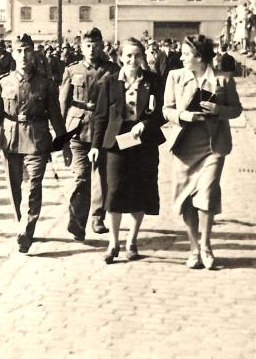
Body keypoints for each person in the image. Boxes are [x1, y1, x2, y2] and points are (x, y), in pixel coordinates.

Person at [163, 35, 242, 270]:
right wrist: (183, 115)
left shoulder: (223, 80)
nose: (181, 57)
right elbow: (166, 110)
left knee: (206, 196)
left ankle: (206, 246)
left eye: (186, 54)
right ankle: (194, 249)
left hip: (213, 146)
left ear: (199, 57)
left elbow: (236, 110)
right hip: (184, 146)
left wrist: (218, 109)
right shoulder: (175, 77)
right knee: (187, 199)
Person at [0, 34, 66, 254]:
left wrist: (63, 144)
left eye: (27, 50)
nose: (24, 55)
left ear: (34, 53)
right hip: (10, 141)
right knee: (14, 188)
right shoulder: (3, 82)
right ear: (13, 53)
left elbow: (56, 116)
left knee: (33, 186)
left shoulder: (45, 84)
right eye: (19, 51)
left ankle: (26, 231)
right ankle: (22, 224)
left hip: (37, 140)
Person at [89, 37, 166, 264]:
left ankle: (132, 240)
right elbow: (100, 117)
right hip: (117, 143)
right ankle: (113, 243)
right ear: (120, 57)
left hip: (144, 143)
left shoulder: (153, 81)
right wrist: (95, 146)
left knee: (140, 191)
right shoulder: (110, 82)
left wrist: (147, 124)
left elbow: (161, 111)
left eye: (137, 55)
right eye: (129, 55)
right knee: (113, 191)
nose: (133, 60)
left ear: (143, 57)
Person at [59, 28, 119, 241]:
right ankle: (77, 222)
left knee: (103, 177)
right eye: (87, 45)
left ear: (102, 46)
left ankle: (97, 217)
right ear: (81, 47)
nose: (91, 49)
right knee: (81, 178)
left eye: (95, 45)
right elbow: (63, 103)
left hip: (103, 131)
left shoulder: (112, 70)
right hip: (78, 130)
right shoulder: (72, 70)